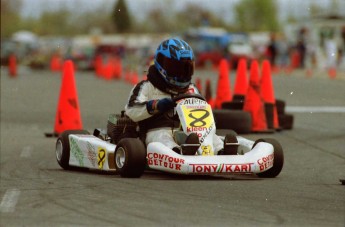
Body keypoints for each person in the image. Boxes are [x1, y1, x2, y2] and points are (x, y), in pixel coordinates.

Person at [125, 38, 236, 155]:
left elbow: (202, 109)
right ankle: (177, 153)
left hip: (188, 133)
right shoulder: (147, 87)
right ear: (162, 65)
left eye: (185, 68)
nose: (181, 73)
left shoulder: (191, 89)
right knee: (163, 138)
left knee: (211, 136)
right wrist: (156, 105)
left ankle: (222, 151)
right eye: (176, 68)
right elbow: (131, 110)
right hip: (156, 131)